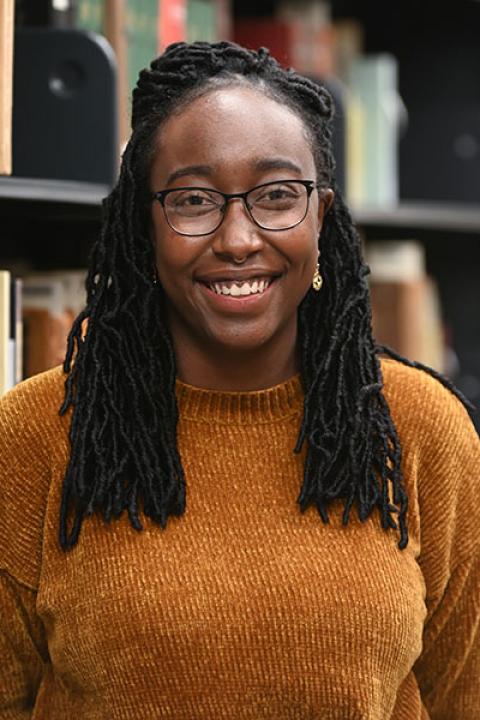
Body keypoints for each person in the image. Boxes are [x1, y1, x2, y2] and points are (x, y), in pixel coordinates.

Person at [0, 41, 479, 720]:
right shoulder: (33, 438)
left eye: (277, 196)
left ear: (321, 214)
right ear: (146, 223)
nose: (236, 238)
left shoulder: (421, 430)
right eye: (194, 199)